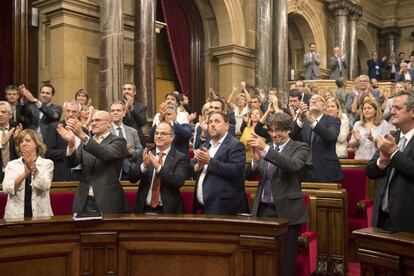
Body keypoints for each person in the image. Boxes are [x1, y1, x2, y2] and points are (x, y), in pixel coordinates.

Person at [246, 112, 310, 276]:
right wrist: (255, 161)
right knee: (263, 255)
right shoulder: (267, 147)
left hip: (287, 211)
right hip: (263, 209)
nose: (274, 135)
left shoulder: (300, 147)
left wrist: (266, 150)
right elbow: (249, 175)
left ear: (289, 130)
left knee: (286, 259)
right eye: (271, 131)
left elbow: (292, 166)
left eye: (279, 131)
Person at [57, 110, 128, 214]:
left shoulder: (118, 141)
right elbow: (71, 163)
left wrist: (82, 134)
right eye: (92, 121)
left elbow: (105, 154)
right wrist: (71, 145)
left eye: (98, 120)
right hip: (84, 201)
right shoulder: (85, 142)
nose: (94, 123)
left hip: (107, 200)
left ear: (109, 123)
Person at [366, 91, 414, 232]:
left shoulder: (391, 144)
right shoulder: (391, 137)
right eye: (392, 107)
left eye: (397, 108)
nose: (392, 112)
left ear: (412, 112)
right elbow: (369, 171)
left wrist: (394, 153)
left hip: (408, 220)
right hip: (382, 218)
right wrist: (381, 161)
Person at [191, 111, 247, 215]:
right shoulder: (206, 145)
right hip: (202, 207)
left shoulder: (236, 145)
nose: (212, 124)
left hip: (224, 208)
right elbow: (191, 164)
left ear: (227, 126)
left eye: (217, 121)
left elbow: (235, 170)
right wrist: (197, 166)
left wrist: (210, 161)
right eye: (210, 122)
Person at [129, 122, 188, 214]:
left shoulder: (180, 157)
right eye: (156, 133)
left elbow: (178, 181)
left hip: (169, 211)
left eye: (163, 133)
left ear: (172, 137)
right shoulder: (146, 153)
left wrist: (158, 167)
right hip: (144, 209)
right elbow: (132, 178)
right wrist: (144, 166)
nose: (158, 136)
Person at [2, 129, 54, 219]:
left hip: (41, 215)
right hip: (15, 215)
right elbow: (6, 189)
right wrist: (24, 174)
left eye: (28, 140)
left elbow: (45, 186)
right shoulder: (12, 165)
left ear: (37, 144)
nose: (24, 143)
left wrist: (32, 168)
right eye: (21, 141)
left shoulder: (47, 163)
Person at [292, 94, 343, 182]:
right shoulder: (303, 122)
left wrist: (311, 120)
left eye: (318, 100)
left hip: (326, 170)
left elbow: (330, 136)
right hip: (304, 170)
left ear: (325, 107)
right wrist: (300, 118)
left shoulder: (333, 120)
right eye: (312, 100)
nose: (314, 101)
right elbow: (291, 137)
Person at [44, 100, 88, 181]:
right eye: (68, 111)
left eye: (74, 111)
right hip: (62, 174)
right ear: (64, 112)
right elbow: (48, 152)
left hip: (81, 175)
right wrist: (70, 153)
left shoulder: (84, 131)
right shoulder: (55, 127)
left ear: (79, 113)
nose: (71, 114)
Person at [109, 101, 143, 180]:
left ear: (124, 113)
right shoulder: (105, 131)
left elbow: (140, 151)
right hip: (112, 171)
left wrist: (131, 152)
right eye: (112, 111)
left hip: (130, 171)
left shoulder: (132, 131)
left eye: (118, 110)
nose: (115, 113)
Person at [0, 101, 21, 182]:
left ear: (10, 115)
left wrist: (16, 142)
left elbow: (22, 155)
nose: (0, 114)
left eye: (3, 112)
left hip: (14, 174)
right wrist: (2, 143)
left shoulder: (17, 130)